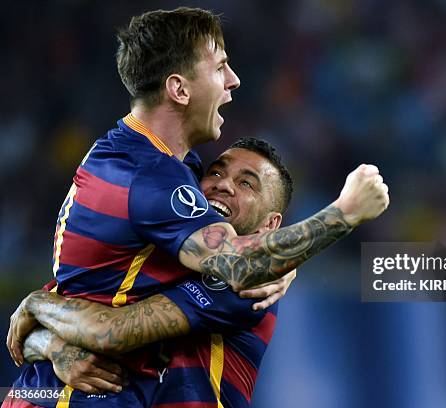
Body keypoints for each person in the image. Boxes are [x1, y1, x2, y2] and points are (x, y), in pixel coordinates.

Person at [5, 6, 388, 407]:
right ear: (180, 90)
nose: (233, 81)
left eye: (245, 184)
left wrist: (42, 322)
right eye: (220, 67)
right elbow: (238, 267)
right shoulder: (151, 177)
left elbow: (93, 304)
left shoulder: (146, 162)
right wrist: (345, 212)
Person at [5, 138, 296, 407]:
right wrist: (54, 347)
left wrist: (36, 304)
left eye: (247, 184)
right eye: (217, 173)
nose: (224, 185)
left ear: (270, 225)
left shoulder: (245, 286)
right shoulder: (157, 260)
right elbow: (27, 330)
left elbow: (108, 330)